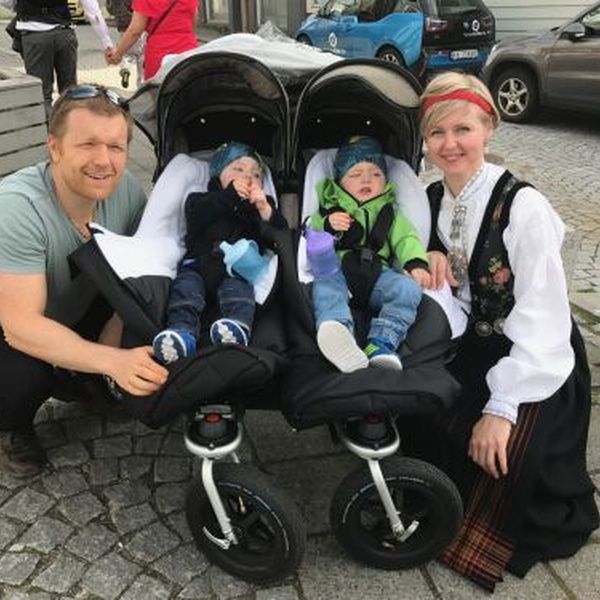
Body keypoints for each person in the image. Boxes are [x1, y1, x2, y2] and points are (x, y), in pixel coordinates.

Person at [418, 72, 599, 590]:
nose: (450, 144)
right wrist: (424, 255)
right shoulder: (431, 198)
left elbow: (545, 315)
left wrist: (502, 408)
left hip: (534, 351)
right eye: (436, 133)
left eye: (463, 129)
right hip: (470, 342)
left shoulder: (523, 207)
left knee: (509, 467)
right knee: (425, 421)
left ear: (490, 127)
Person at [0, 84, 169, 479]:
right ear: (54, 147)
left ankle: (82, 377)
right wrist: (114, 361)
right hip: (11, 326)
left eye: (115, 147)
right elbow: (20, 325)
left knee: (144, 309)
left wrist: (118, 321)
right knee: (25, 373)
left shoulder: (125, 190)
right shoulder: (16, 209)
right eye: (88, 144)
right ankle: (9, 426)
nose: (103, 161)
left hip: (70, 302)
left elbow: (139, 268)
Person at [152, 142, 287, 364]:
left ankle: (236, 328)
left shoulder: (259, 208)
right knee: (185, 293)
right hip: (198, 264)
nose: (249, 177)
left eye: (256, 174)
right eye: (238, 169)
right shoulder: (201, 199)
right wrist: (229, 195)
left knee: (240, 293)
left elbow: (279, 236)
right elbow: (197, 215)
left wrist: (265, 210)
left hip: (237, 269)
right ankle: (181, 332)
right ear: (218, 174)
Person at [308, 136, 431, 373]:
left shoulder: (390, 213)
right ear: (340, 182)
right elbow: (310, 231)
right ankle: (338, 332)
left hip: (379, 273)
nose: (366, 179)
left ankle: (382, 342)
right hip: (338, 269)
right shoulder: (330, 207)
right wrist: (327, 224)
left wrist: (415, 262)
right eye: (355, 174)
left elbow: (406, 239)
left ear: (385, 181)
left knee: (408, 289)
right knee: (326, 286)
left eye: (376, 174)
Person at [1, 0, 114, 115]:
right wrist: (106, 42)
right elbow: (92, 9)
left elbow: (6, 1)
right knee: (70, 93)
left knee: (41, 94)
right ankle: (70, 123)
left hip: (35, 33)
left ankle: (47, 124)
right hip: (64, 32)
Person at [105, 0, 199, 82]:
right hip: (189, 51)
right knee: (190, 89)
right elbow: (194, 19)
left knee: (159, 92)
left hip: (159, 53)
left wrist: (117, 54)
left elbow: (135, 31)